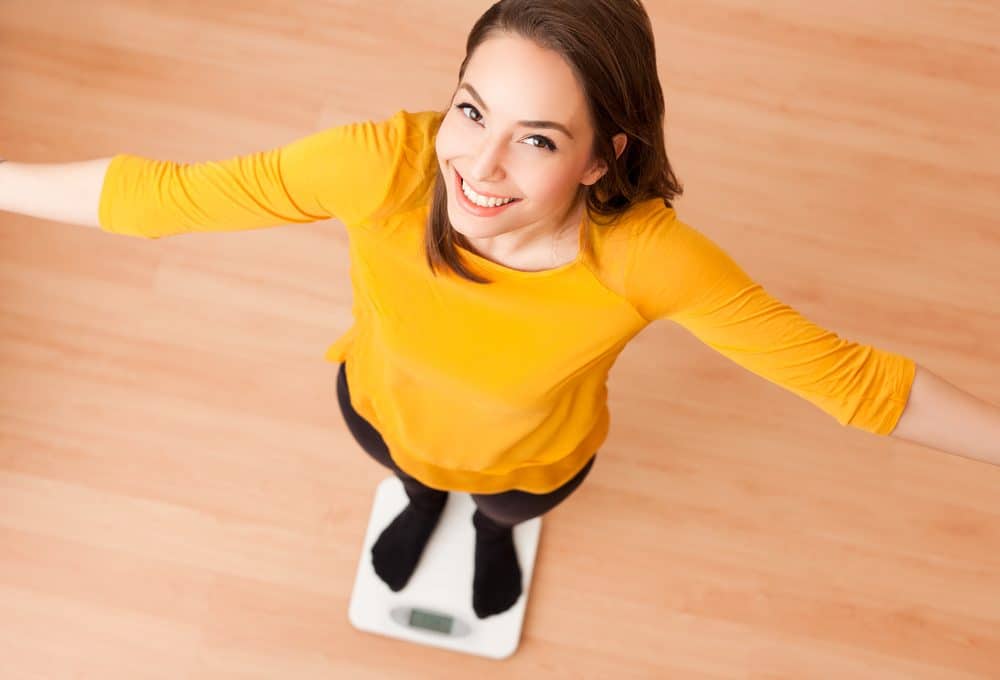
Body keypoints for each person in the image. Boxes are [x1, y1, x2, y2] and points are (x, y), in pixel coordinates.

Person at [0, 0, 917, 620]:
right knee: (413, 477)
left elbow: (855, 383)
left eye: (540, 139)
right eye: (473, 113)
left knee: (504, 511)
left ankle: (491, 536)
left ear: (602, 157)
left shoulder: (648, 259)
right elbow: (160, 198)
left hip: (532, 462)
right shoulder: (381, 166)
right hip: (380, 413)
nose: (478, 168)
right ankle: (420, 502)